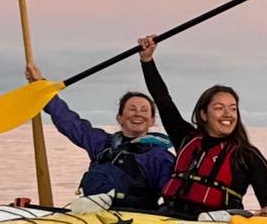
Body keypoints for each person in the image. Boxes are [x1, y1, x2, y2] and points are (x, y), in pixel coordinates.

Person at [139, 36, 267, 219]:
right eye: (219, 108)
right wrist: (147, 60)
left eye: (233, 108)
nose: (228, 114)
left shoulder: (247, 155)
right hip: (169, 216)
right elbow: (163, 100)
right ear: (204, 114)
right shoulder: (185, 138)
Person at [24, 61, 173, 206]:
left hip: (136, 218)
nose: (138, 114)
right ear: (119, 118)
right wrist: (40, 84)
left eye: (144, 110)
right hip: (91, 213)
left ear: (152, 120)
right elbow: (69, 121)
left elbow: (173, 199)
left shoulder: (160, 157)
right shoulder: (102, 143)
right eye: (132, 109)